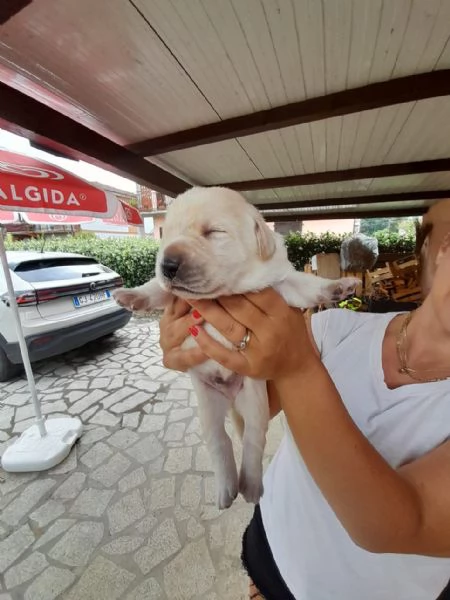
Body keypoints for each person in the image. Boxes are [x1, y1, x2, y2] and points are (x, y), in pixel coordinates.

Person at [159, 203, 450, 600]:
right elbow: (252, 409)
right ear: (444, 249)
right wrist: (210, 352)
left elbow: (398, 524)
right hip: (268, 553)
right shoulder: (336, 326)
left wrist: (297, 366)